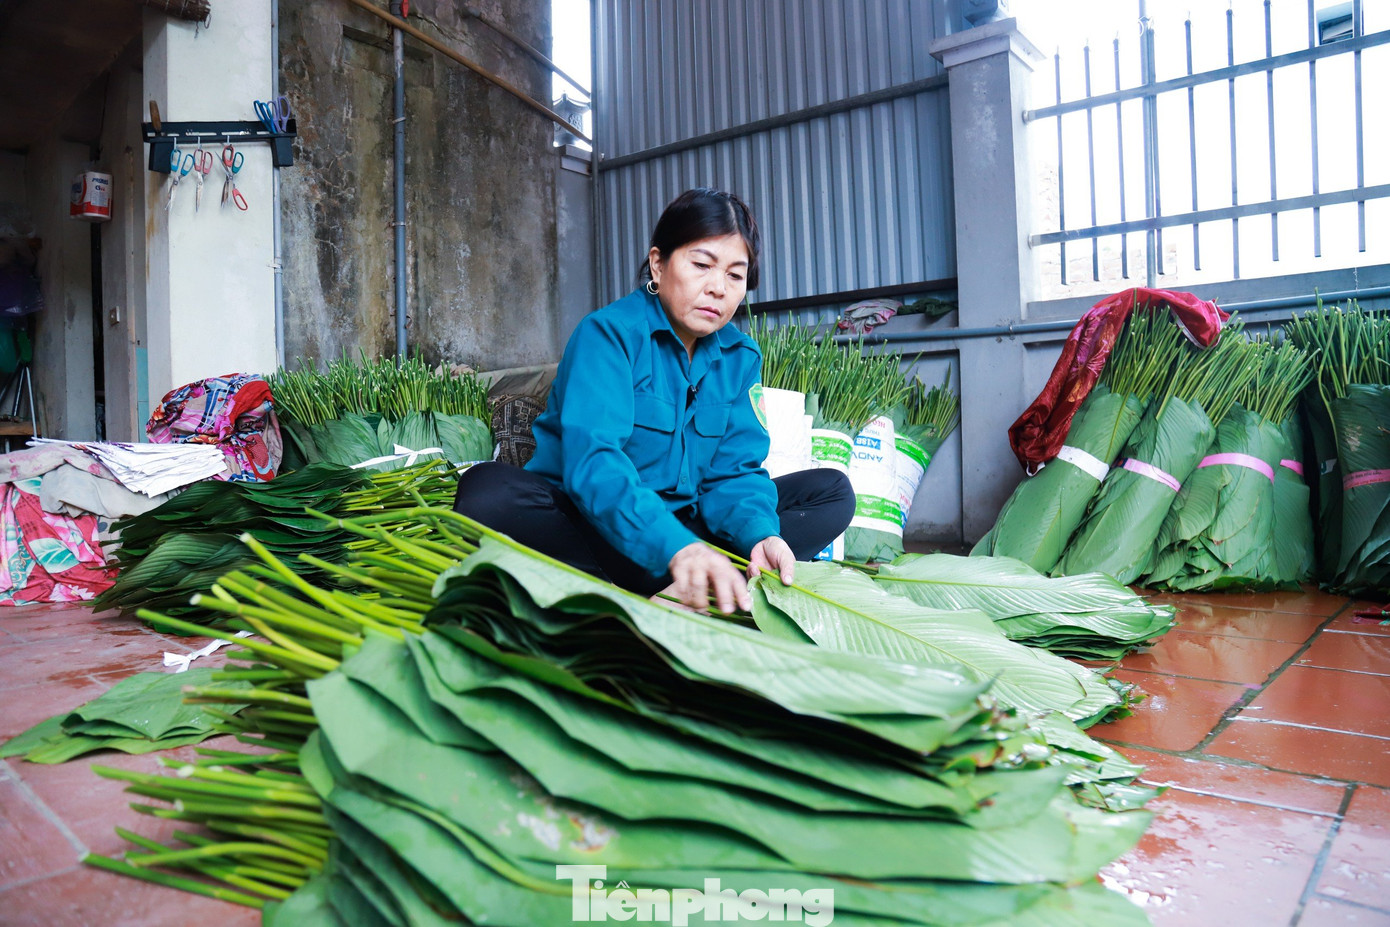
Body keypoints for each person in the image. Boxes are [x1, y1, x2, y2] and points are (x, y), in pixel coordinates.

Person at [453, 188, 854, 612]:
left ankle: (694, 586)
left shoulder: (740, 358)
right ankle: (648, 595)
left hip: (686, 533)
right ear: (658, 265)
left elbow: (733, 473)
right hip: (596, 530)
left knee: (831, 492)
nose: (718, 288)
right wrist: (674, 548)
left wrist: (761, 535)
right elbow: (594, 462)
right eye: (701, 265)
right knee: (488, 491)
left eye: (736, 276)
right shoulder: (609, 336)